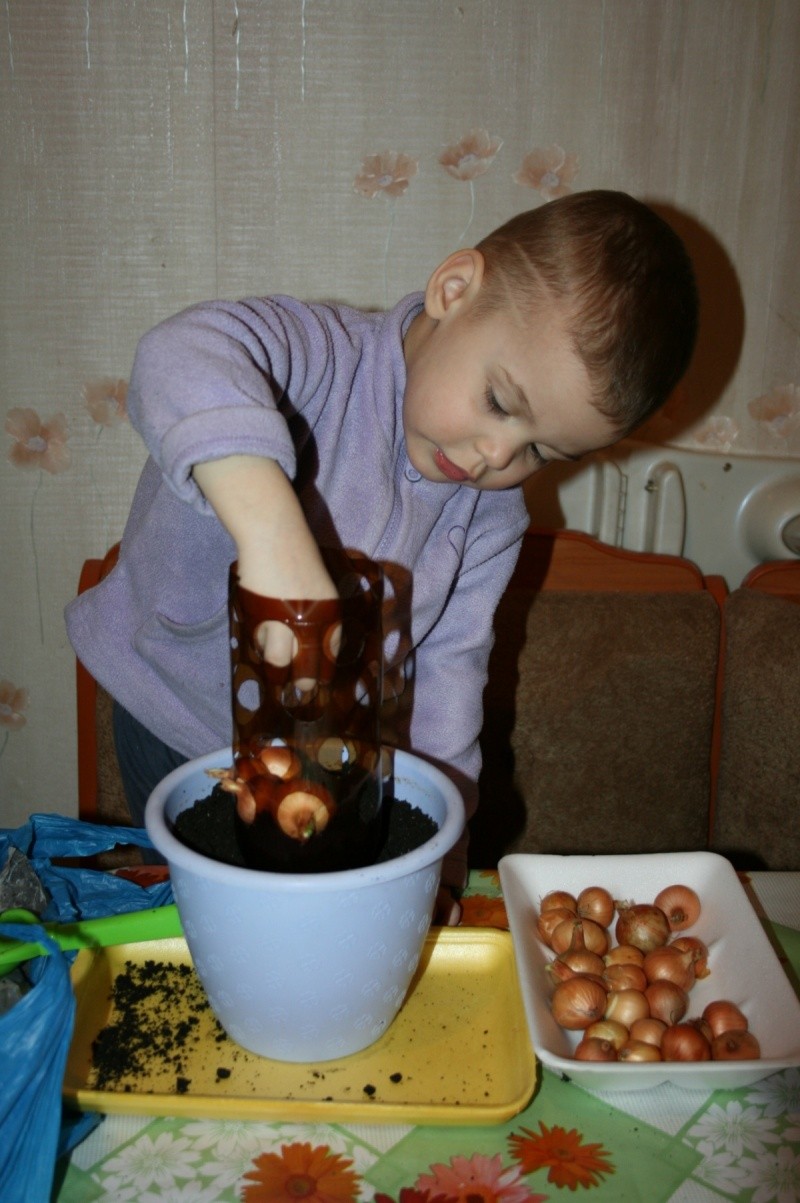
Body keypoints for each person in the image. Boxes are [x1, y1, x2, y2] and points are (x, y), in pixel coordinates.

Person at [65, 190, 698, 913]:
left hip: (330, 766)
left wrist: (446, 859)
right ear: (454, 291)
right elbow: (177, 354)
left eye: (541, 450)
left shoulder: (490, 519)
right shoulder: (318, 359)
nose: (496, 454)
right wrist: (279, 545)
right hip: (174, 720)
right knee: (203, 930)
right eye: (498, 401)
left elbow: (448, 690)